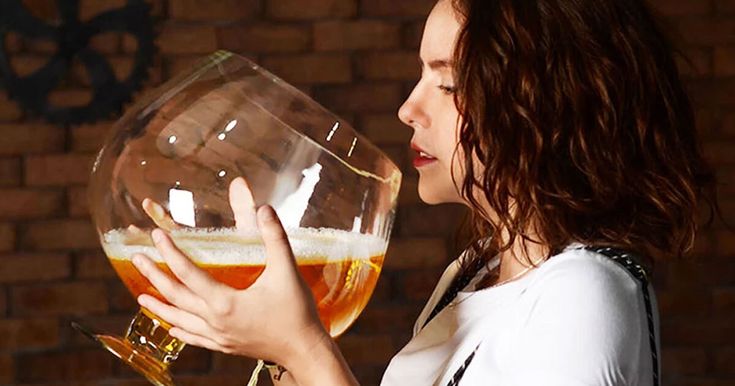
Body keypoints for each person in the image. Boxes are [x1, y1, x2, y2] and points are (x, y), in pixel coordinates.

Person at [130, 0, 717, 384]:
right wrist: (280, 341)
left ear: (548, 103)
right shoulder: (477, 270)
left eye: (449, 83)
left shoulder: (583, 294)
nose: (409, 108)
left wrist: (306, 349)